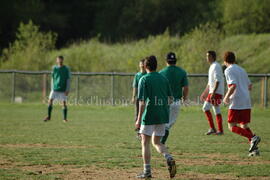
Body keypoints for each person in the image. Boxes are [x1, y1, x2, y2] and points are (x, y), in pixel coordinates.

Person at [135, 56, 176, 179]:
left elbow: (142, 102)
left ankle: (147, 172)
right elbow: (171, 99)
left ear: (146, 66)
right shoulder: (163, 78)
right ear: (156, 65)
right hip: (162, 115)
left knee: (145, 142)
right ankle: (169, 157)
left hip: (149, 115)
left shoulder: (144, 79)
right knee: (157, 142)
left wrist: (138, 119)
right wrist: (162, 107)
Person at [223, 51, 261, 156]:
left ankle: (253, 137)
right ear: (234, 59)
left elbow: (233, 85)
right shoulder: (242, 70)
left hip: (236, 101)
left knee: (231, 126)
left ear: (225, 61)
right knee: (244, 126)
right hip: (246, 100)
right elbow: (250, 86)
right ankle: (254, 150)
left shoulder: (228, 70)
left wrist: (226, 97)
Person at [159, 52, 188, 144]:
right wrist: (184, 98)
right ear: (175, 61)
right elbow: (185, 87)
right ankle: (161, 143)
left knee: (162, 124)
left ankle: (159, 142)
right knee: (167, 126)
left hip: (163, 101)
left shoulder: (161, 72)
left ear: (166, 61)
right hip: (176, 102)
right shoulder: (182, 72)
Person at [200, 51, 224, 135]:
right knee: (216, 109)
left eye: (208, 56)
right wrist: (205, 92)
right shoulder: (212, 66)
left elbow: (218, 80)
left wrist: (213, 92)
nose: (207, 57)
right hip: (214, 91)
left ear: (213, 57)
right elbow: (210, 83)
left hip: (216, 92)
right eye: (207, 56)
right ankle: (220, 130)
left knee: (205, 108)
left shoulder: (216, 66)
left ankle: (213, 128)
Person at [44, 56, 71, 122]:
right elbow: (52, 78)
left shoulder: (66, 69)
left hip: (63, 89)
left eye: (61, 60)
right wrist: (52, 88)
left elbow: (68, 79)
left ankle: (64, 119)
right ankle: (49, 117)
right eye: (58, 60)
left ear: (62, 60)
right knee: (50, 101)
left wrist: (67, 89)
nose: (59, 61)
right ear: (57, 61)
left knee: (64, 103)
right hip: (55, 88)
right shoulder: (54, 68)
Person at [132, 59, 146, 139]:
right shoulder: (137, 75)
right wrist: (133, 96)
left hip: (146, 98)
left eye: (143, 64)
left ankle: (144, 131)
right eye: (141, 64)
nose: (142, 65)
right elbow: (135, 87)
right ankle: (138, 132)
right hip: (139, 97)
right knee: (137, 114)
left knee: (145, 114)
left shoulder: (147, 74)